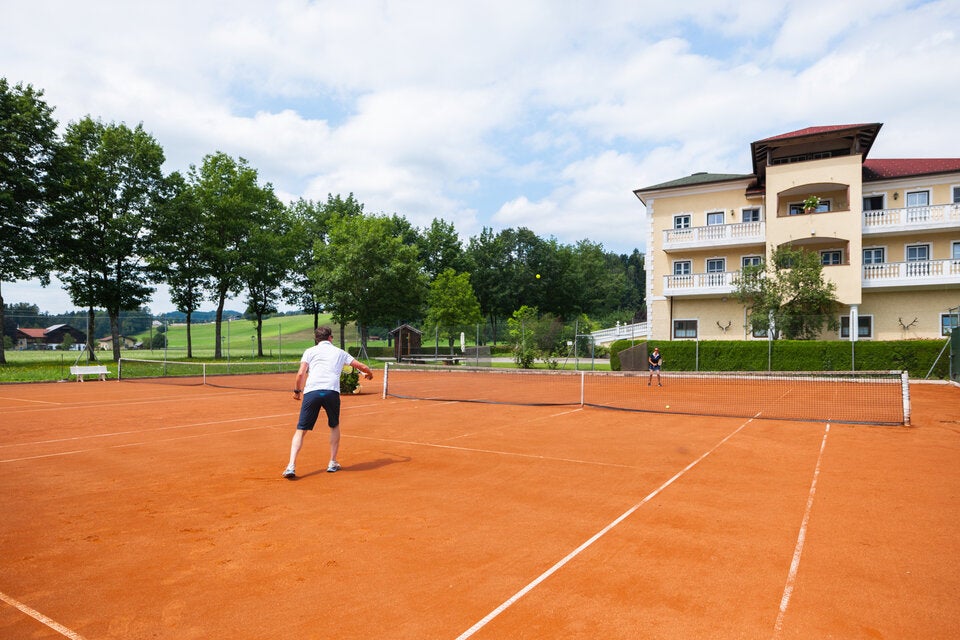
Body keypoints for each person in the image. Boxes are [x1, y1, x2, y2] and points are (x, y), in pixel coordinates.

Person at [282, 326, 374, 479]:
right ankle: (332, 462)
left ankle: (291, 466)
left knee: (301, 430)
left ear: (316, 339)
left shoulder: (309, 351)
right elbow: (362, 367)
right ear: (330, 338)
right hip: (331, 392)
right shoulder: (340, 352)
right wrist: (369, 373)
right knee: (334, 426)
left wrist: (297, 391)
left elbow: (300, 374)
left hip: (312, 392)